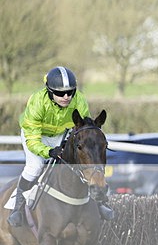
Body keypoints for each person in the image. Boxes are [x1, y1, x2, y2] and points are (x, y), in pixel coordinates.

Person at [7, 66, 114, 227]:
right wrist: (48, 151)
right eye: (59, 93)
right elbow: (33, 139)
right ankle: (17, 209)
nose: (66, 96)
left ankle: (100, 204)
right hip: (35, 135)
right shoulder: (37, 103)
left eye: (70, 92)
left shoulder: (79, 99)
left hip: (60, 135)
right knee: (35, 167)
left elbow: (83, 127)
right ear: (50, 92)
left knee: (80, 163)